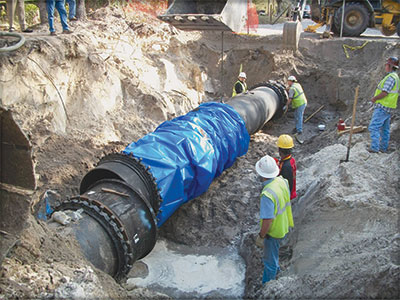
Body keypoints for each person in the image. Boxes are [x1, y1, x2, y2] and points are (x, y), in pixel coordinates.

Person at [255, 155, 294, 284]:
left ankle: (268, 285)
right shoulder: (281, 181)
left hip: (274, 232)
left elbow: (268, 219)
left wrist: (261, 235)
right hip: (284, 224)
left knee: (269, 261)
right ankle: (277, 271)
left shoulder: (267, 194)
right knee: (274, 253)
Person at [368, 56, 399, 153]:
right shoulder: (395, 77)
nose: (385, 66)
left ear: (390, 66)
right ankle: (383, 148)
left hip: (382, 106)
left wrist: (374, 99)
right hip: (388, 107)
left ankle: (374, 148)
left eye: (386, 64)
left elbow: (385, 92)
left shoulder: (390, 78)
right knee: (385, 129)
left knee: (374, 127)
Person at [275, 134, 297, 200]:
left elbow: (287, 184)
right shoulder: (291, 160)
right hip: (291, 192)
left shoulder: (286, 167)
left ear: (280, 150)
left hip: (286, 195)